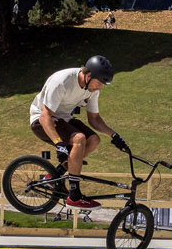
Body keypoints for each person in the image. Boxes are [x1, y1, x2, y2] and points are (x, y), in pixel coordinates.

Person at [29, 55, 117, 209]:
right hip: (42, 119)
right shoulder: (61, 81)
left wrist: (114, 135)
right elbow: (45, 117)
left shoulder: (92, 88)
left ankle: (55, 175)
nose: (100, 87)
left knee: (94, 140)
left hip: (64, 119)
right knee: (79, 139)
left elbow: (94, 119)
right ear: (88, 76)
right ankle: (74, 196)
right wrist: (59, 144)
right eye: (99, 83)